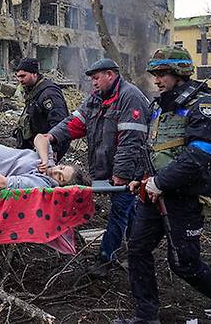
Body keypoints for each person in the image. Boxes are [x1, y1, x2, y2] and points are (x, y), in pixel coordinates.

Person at [116, 47, 211, 324]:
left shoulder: (203, 106)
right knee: (137, 249)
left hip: (185, 196)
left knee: (184, 264)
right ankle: (146, 316)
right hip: (154, 193)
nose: (157, 80)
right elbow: (155, 150)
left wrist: (159, 182)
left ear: (179, 73)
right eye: (155, 74)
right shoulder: (160, 106)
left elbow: (199, 155)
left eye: (162, 74)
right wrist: (142, 179)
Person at [44, 58, 150, 277]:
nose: (93, 82)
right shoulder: (96, 99)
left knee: (119, 211)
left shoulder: (130, 98)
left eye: (96, 78)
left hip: (130, 170)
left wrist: (121, 174)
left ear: (110, 75)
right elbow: (75, 123)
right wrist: (52, 136)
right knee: (128, 211)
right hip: (107, 169)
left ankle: (105, 257)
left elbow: (131, 140)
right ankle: (137, 250)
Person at [13, 57, 70, 160]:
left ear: (35, 74)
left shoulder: (49, 93)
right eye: (18, 77)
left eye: (23, 76)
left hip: (47, 147)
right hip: (35, 146)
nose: (20, 80)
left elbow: (59, 123)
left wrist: (54, 149)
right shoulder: (33, 90)